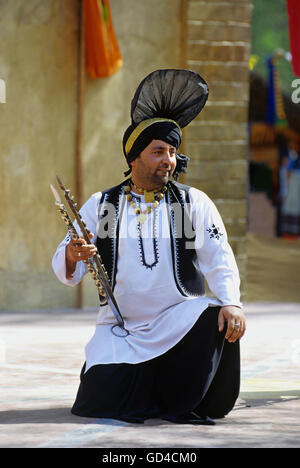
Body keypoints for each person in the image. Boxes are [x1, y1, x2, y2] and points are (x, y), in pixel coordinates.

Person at [52, 69, 246, 425]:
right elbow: (69, 259)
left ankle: (182, 398)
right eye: (158, 151)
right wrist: (72, 253)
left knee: (214, 314)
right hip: (121, 326)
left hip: (178, 322)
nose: (168, 160)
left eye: (172, 152)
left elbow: (219, 257)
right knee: (97, 401)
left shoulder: (192, 203)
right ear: (134, 158)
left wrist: (232, 302)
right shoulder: (104, 204)